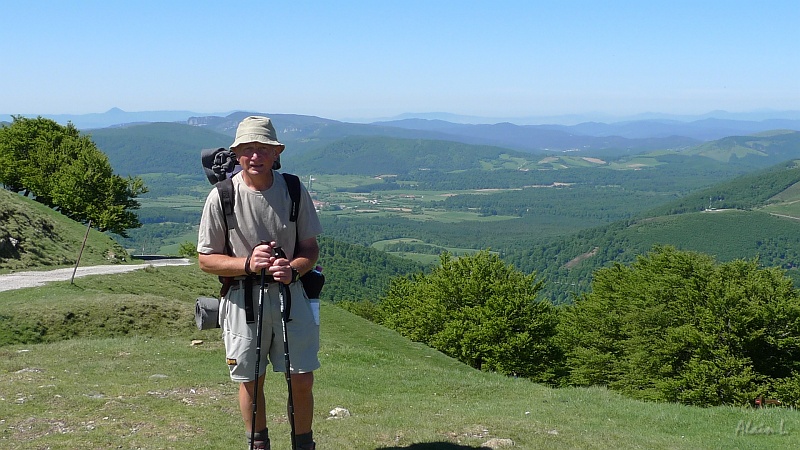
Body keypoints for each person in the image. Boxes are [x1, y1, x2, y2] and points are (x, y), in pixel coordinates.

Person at [197, 116, 323, 450]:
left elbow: (310, 249)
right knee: (251, 381)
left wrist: (294, 269)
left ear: (275, 153)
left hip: (290, 296)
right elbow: (206, 259)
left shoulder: (293, 190)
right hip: (242, 299)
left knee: (301, 378)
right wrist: (247, 264)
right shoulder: (222, 196)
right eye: (249, 149)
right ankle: (259, 445)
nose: (256, 155)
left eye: (263, 148)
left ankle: (303, 444)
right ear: (237, 154)